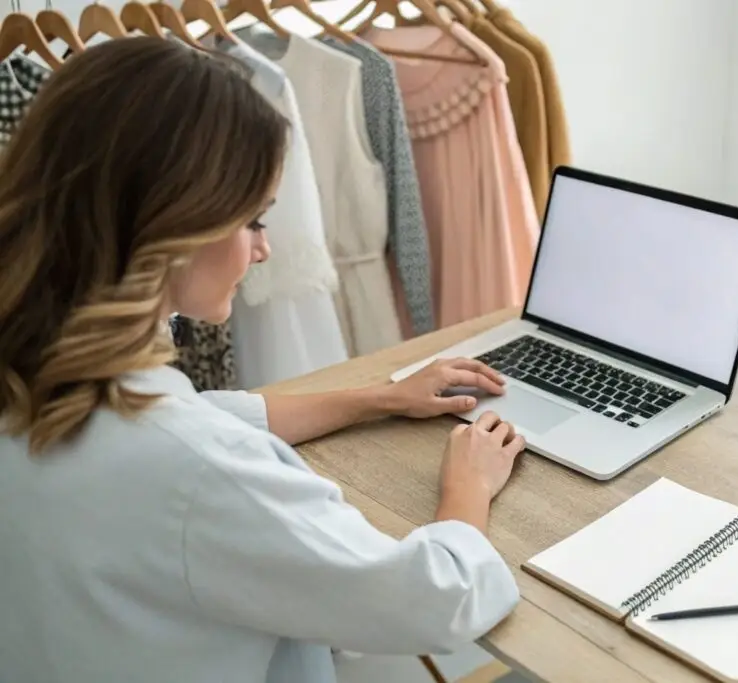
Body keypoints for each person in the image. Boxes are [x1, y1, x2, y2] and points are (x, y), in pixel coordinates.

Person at [0, 38, 524, 683]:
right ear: (176, 226)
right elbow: (435, 601)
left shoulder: (35, 374)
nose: (265, 250)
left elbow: (185, 419)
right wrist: (466, 487)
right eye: (254, 220)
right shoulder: (202, 470)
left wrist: (377, 397)